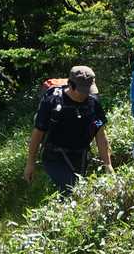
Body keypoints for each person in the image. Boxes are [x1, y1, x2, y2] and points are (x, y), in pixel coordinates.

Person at [25, 65, 114, 194]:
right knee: (72, 190)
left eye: (88, 89)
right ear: (70, 85)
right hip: (54, 155)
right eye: (83, 90)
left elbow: (100, 133)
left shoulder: (93, 103)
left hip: (81, 156)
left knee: (79, 191)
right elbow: (38, 133)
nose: (86, 94)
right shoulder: (52, 101)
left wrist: (108, 164)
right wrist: (30, 163)